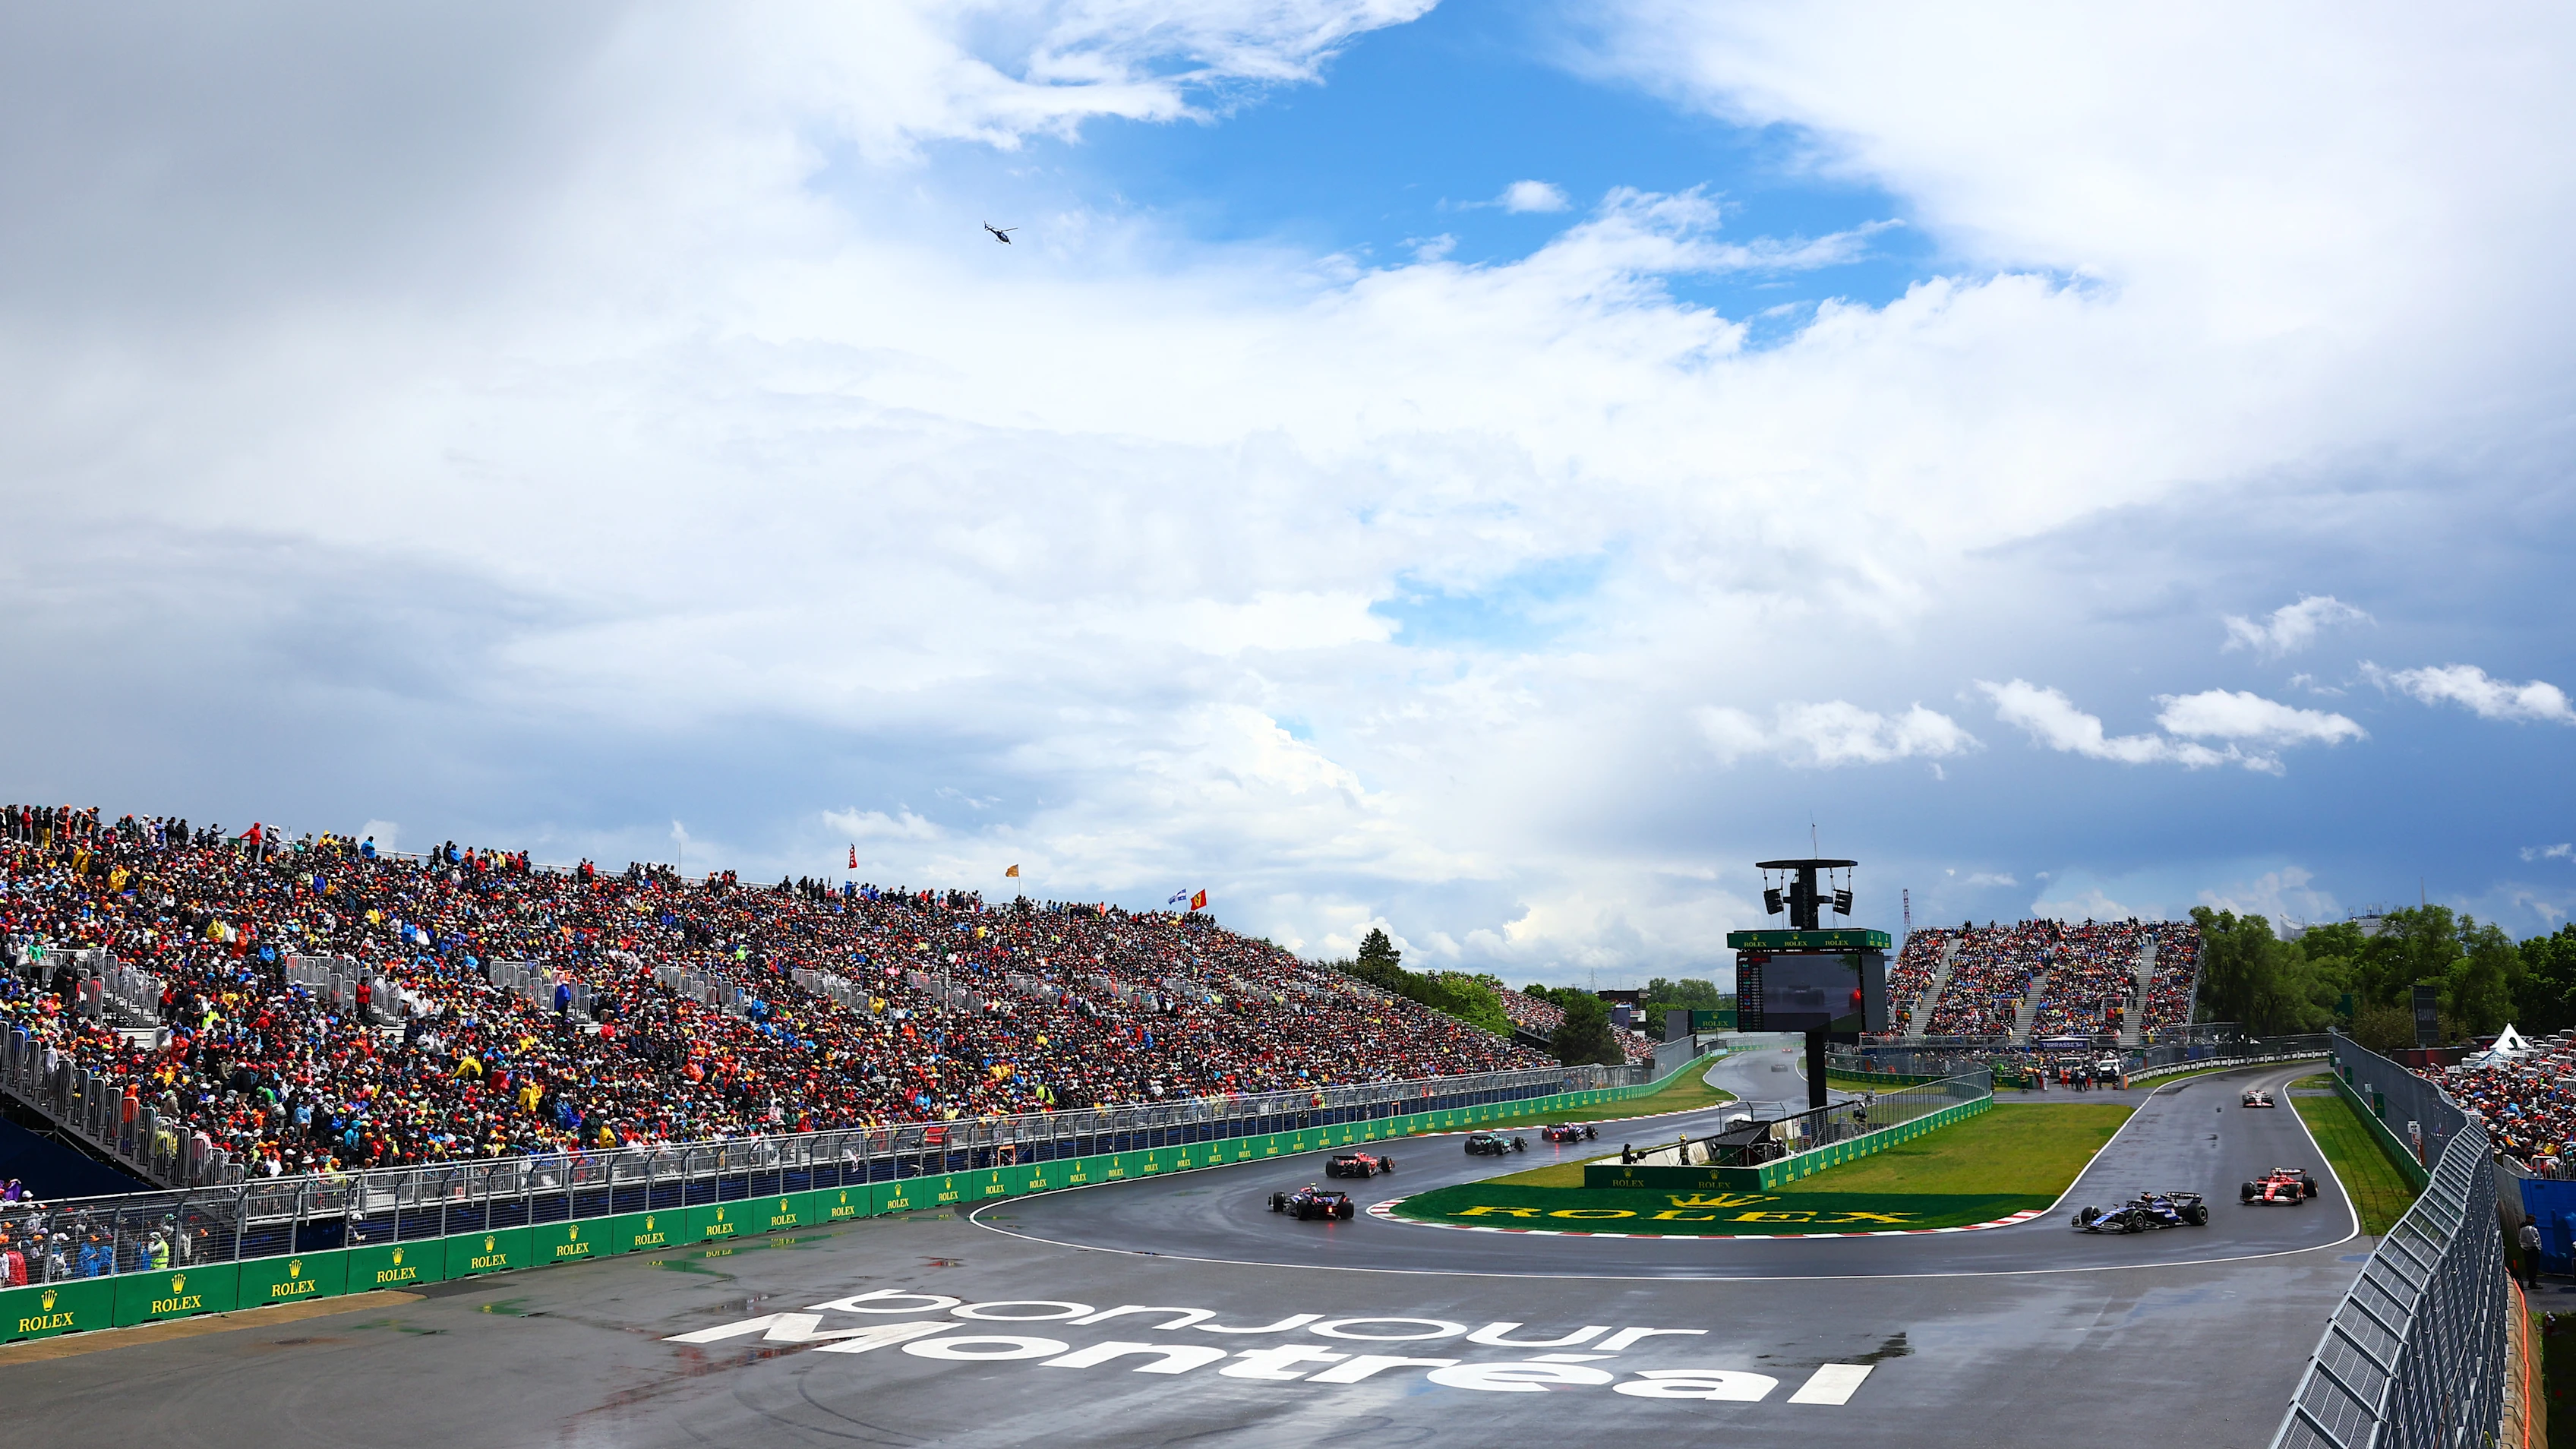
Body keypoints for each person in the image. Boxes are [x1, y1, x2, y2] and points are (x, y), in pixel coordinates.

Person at [2521, 1216, 2544, 1290]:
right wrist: (2536, 1248)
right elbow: (2532, 1240)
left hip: (2528, 1249)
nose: (2533, 1221)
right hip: (2531, 1250)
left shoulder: (2524, 1228)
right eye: (2532, 1220)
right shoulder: (2529, 1229)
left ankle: (2532, 1281)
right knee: (2533, 1266)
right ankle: (2532, 1282)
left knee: (2531, 1266)